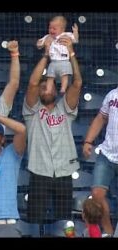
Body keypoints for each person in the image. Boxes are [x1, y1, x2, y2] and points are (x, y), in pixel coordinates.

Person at [23, 36, 82, 224]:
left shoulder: (65, 108)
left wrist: (70, 53)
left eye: (49, 86)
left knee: (64, 222)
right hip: (39, 171)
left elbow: (77, 83)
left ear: (56, 90)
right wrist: (47, 55)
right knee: (34, 221)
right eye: (43, 87)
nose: (46, 90)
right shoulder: (32, 110)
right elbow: (32, 83)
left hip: (64, 170)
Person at [82, 86, 118, 236]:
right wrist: (88, 141)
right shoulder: (112, 94)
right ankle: (109, 233)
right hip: (107, 154)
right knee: (97, 195)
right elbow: (101, 118)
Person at [37, 16, 79, 95]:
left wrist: (75, 32)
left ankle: (63, 89)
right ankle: (48, 90)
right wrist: (40, 43)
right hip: (53, 62)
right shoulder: (47, 37)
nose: (51, 30)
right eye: (50, 28)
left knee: (64, 76)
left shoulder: (67, 35)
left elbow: (75, 40)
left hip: (64, 61)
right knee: (50, 77)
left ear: (62, 29)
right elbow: (39, 45)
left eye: (54, 28)